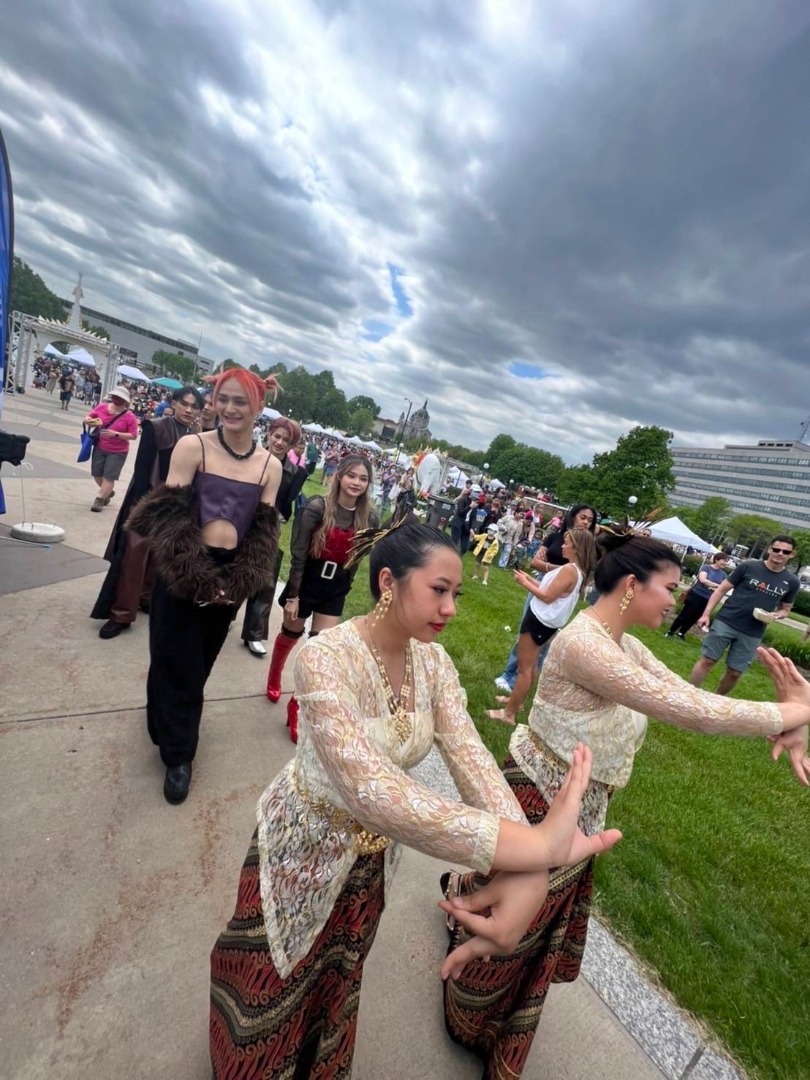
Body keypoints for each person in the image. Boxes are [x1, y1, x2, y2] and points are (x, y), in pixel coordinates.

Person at [210, 521, 622, 1079]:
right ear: (388, 582)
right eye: (439, 589)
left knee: (339, 975)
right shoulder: (326, 658)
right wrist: (533, 845)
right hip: (302, 846)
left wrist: (527, 861)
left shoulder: (434, 664)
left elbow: (472, 757)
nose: (450, 607)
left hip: (373, 860)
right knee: (271, 979)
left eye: (457, 593)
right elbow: (370, 790)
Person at [443, 531, 810, 1079]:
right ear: (632, 585)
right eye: (669, 586)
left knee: (524, 923)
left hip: (581, 810)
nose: (675, 598)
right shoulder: (584, 645)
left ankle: (476, 956)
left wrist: (792, 720)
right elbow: (687, 710)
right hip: (541, 799)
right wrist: (794, 715)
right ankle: (468, 1014)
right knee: (512, 923)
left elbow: (697, 701)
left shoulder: (625, 646)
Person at [126, 369, 282, 803]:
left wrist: (236, 584)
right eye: (223, 399)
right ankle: (180, 756)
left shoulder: (271, 465)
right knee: (173, 657)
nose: (230, 409)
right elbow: (170, 519)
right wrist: (196, 578)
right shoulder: (192, 446)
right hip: (182, 569)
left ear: (258, 408)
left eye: (241, 402)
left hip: (230, 578)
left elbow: (264, 534)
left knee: (199, 662)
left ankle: (166, 719)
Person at [266, 454, 379, 741]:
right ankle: (275, 673)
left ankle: (298, 705)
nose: (356, 483)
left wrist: (345, 588)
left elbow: (357, 560)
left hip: (335, 587)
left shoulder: (370, 518)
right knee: (291, 633)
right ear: (339, 476)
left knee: (319, 652)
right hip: (307, 581)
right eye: (352, 475)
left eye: (363, 478)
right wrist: (293, 596)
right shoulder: (317, 507)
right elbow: (298, 555)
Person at [91, 386, 203, 639]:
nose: (188, 410)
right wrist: (143, 506)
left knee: (159, 560)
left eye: (194, 406)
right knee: (133, 559)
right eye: (184, 404)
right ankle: (121, 614)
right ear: (173, 403)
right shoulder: (157, 426)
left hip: (177, 507)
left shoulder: (196, 435)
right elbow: (142, 471)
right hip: (148, 501)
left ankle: (145, 598)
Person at [488, 528, 597, 725]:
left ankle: (509, 714)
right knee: (530, 665)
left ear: (577, 548)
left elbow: (547, 597)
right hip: (546, 623)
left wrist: (523, 583)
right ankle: (517, 701)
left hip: (539, 620)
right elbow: (550, 590)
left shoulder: (569, 570)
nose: (562, 546)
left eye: (567, 543)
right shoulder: (575, 570)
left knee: (525, 668)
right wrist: (529, 579)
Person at [690, 536, 800, 695]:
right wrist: (706, 614)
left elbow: (786, 609)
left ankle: (717, 701)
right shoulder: (749, 566)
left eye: (785, 551)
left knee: (735, 672)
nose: (780, 553)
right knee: (708, 660)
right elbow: (721, 590)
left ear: (792, 554)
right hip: (727, 620)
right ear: (769, 549)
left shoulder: (792, 581)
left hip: (753, 631)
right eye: (776, 549)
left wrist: (777, 615)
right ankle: (690, 695)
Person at [240, 416, 308, 656]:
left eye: (285, 440)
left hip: (270, 525)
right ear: (269, 435)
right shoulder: (251, 456)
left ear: (292, 445)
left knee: (266, 579)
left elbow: (287, 503)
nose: (279, 442)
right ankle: (223, 616)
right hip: (241, 519)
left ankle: (255, 633)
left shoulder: (295, 473)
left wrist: (277, 518)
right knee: (234, 569)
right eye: (276, 436)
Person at [84, 386, 140, 512]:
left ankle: (100, 499)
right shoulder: (102, 407)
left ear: (125, 401)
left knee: (109, 476)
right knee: (97, 474)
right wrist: (91, 421)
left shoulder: (129, 416)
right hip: (100, 446)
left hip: (118, 451)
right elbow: (88, 417)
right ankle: (108, 492)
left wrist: (116, 434)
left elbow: (133, 435)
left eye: (120, 398)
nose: (117, 399)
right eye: (115, 397)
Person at [666, 551, 730, 639]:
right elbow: (703, 580)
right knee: (685, 614)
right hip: (696, 595)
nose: (726, 563)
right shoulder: (706, 568)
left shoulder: (724, 575)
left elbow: (721, 589)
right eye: (724, 560)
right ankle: (671, 631)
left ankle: (681, 633)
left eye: (727, 561)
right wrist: (717, 586)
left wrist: (711, 586)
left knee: (695, 617)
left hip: (708, 599)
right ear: (717, 559)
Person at [450, 480, 473, 551]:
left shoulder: (474, 501)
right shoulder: (463, 498)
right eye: (467, 484)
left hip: (465, 524)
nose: (468, 485)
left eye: (469, 484)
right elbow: (460, 511)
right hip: (459, 521)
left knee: (463, 547)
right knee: (454, 541)